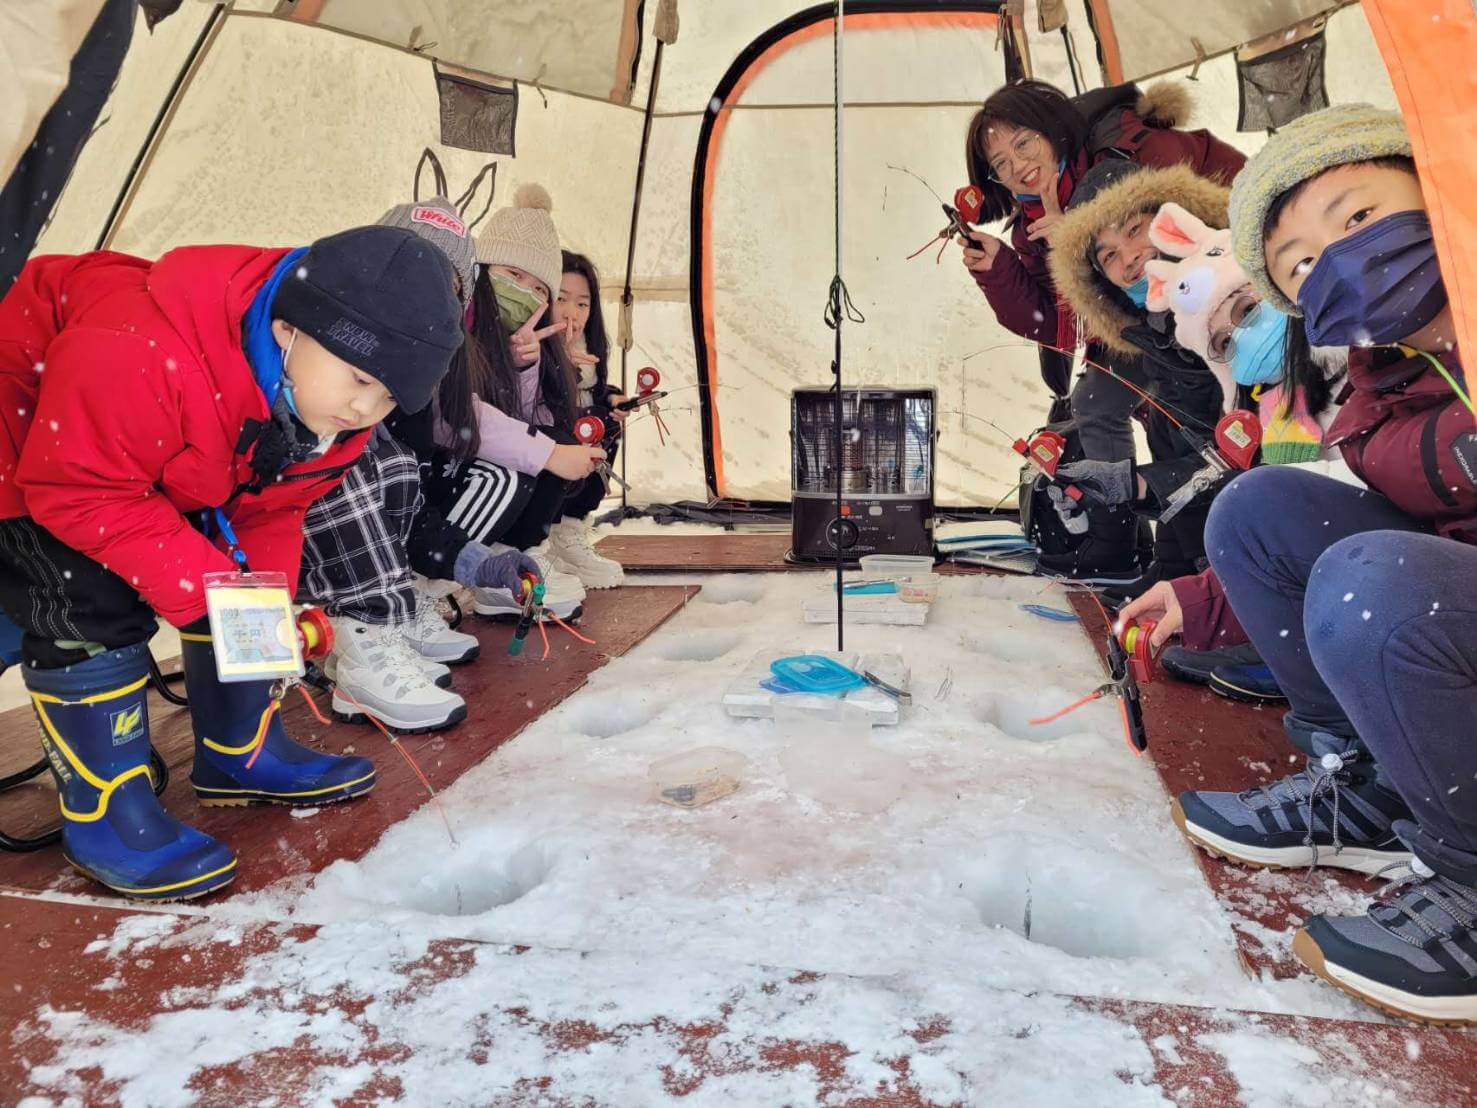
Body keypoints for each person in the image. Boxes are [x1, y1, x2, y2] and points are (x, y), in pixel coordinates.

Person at [1124, 105, 1477, 1024]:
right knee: (1256, 509)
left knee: (1375, 585)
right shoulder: (1376, 387)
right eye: (1301, 262)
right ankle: (1365, 782)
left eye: (1357, 218)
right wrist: (1200, 606)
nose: (1342, 257)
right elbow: (1360, 530)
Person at [0, 224, 463, 900]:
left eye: (391, 396)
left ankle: (237, 753)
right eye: (361, 378)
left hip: (134, 444)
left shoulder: (330, 408)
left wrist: (256, 612)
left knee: (233, 585)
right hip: (27, 432)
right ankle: (104, 814)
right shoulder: (140, 348)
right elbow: (79, 485)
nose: (368, 407)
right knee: (88, 600)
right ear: (288, 331)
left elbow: (271, 511)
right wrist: (215, 598)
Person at [298, 196, 539, 733]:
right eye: (407, 262)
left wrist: (476, 565)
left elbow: (415, 504)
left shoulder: (417, 384)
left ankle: (379, 622)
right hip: (259, 550)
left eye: (443, 284)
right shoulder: (319, 355)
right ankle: (367, 629)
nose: (418, 291)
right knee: (348, 461)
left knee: (397, 465)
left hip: (316, 553)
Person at [962, 78, 1244, 462]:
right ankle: (1121, 504)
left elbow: (1219, 209)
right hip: (1139, 327)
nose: (1018, 166)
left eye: (1023, 143)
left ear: (1049, 129)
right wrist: (999, 269)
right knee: (1096, 404)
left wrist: (1080, 235)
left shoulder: (1132, 147)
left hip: (1222, 292)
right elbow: (1057, 326)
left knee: (1205, 417)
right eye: (1001, 164)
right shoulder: (1031, 229)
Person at [1139, 200, 1348, 704]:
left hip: (1400, 592)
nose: (1243, 338)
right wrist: (1202, 598)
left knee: (1259, 497)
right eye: (1225, 344)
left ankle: (1294, 655)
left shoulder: (1366, 363)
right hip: (1355, 583)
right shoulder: (1274, 406)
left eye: (1248, 310)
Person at [406, 183, 605, 621]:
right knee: (504, 478)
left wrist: (523, 370)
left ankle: (509, 563)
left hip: (436, 475)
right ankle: (420, 593)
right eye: (513, 276)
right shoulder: (449, 319)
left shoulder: (506, 337)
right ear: (479, 268)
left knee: (549, 444)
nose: (523, 293)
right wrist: (549, 454)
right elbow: (454, 417)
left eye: (538, 288)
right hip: (416, 484)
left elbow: (523, 421)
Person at [1043, 161, 1230, 582]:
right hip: (1229, 545)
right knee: (1164, 429)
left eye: (1133, 230)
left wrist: (1136, 483)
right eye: (1108, 255)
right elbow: (1185, 453)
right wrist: (1171, 572)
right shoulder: (1159, 337)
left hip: (1294, 541)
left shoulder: (1236, 307)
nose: (1129, 259)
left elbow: (1250, 458)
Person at [545, 250, 627, 589]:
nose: (572, 312)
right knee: (589, 423)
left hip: (577, 431)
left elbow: (592, 390)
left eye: (582, 303)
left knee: (606, 422)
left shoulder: (589, 345)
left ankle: (570, 530)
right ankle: (540, 538)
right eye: (561, 299)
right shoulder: (528, 345)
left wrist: (612, 397)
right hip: (543, 441)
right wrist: (559, 364)